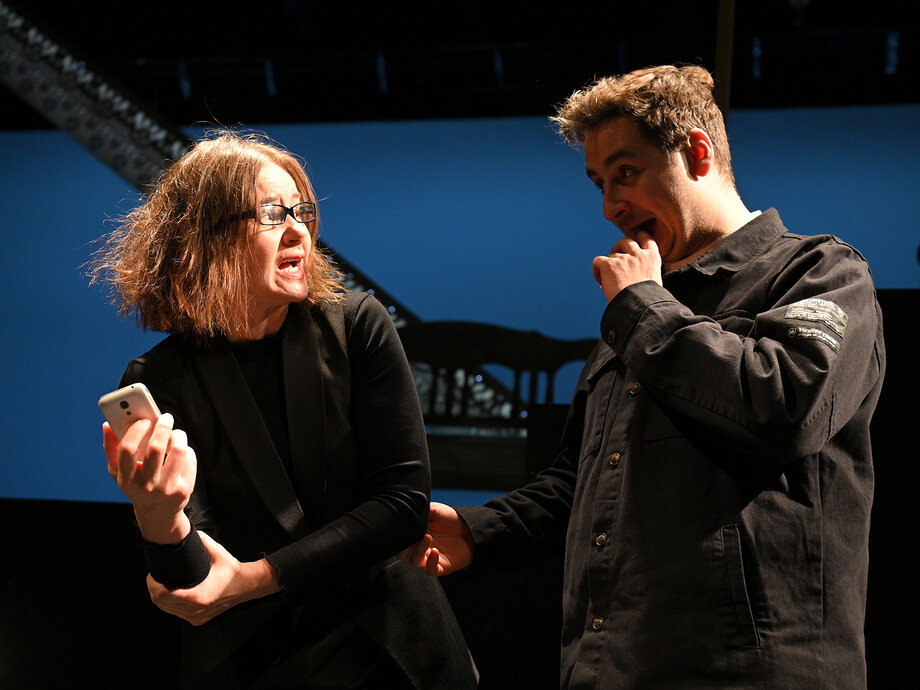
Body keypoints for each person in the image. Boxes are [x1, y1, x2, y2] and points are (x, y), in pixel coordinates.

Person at [403, 65, 885, 688]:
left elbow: (785, 408)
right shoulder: (644, 309)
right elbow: (580, 482)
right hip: (613, 667)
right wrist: (477, 530)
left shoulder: (819, 271)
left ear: (697, 153)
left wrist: (642, 306)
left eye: (626, 173)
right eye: (599, 185)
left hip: (747, 674)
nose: (611, 208)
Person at [92, 130, 477, 689]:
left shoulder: (357, 326)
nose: (299, 229)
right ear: (207, 238)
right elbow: (194, 587)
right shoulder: (159, 379)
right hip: (261, 662)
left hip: (394, 653)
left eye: (303, 211)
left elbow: (401, 506)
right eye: (273, 214)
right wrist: (158, 515)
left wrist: (258, 576)